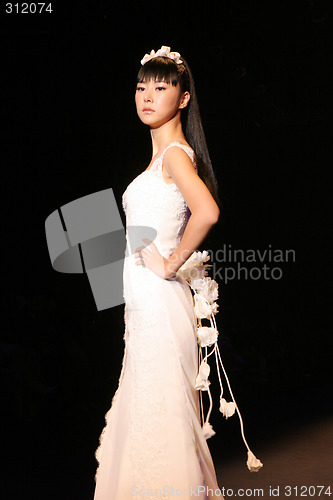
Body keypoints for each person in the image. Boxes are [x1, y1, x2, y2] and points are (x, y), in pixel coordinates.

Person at [93, 45, 222, 500]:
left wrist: (170, 263)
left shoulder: (174, 156)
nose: (147, 96)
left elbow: (207, 211)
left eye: (161, 87)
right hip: (146, 308)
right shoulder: (160, 157)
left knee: (160, 415)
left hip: (161, 304)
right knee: (149, 412)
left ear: (183, 98)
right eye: (141, 86)